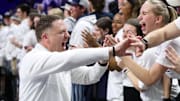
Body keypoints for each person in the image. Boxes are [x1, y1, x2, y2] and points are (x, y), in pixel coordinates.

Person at [18, 15, 130, 101]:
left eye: (67, 31)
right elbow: (70, 58)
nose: (68, 35)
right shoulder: (33, 58)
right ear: (45, 37)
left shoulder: (60, 60)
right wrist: (111, 50)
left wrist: (103, 60)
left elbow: (89, 76)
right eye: (62, 32)